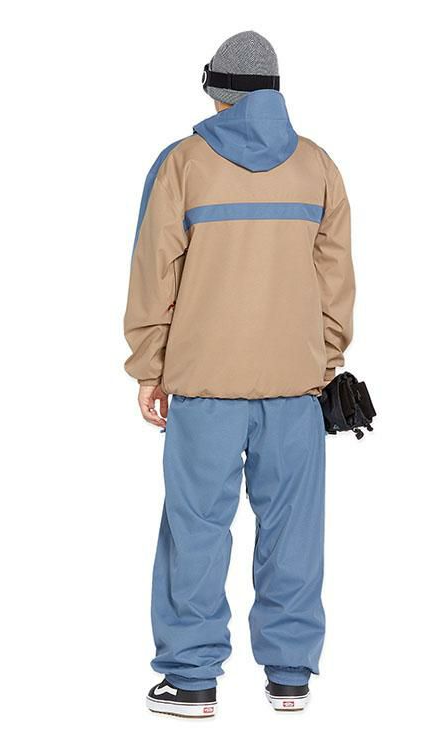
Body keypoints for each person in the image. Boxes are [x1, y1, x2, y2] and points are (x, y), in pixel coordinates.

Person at [124, 30, 355, 718]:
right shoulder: (316, 165)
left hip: (204, 386)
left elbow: (153, 272)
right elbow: (336, 278)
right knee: (294, 532)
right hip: (295, 387)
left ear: (217, 90)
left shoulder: (183, 163)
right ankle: (290, 676)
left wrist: (149, 366)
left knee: (196, 531)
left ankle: (192, 680)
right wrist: (324, 360)